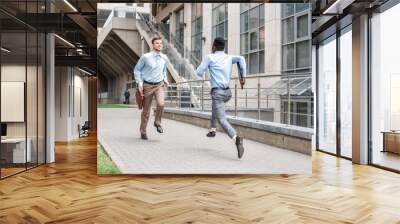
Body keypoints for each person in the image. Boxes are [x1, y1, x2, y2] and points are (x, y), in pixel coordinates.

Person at [196, 37, 247, 159]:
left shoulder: (210, 57)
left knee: (222, 119)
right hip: (228, 93)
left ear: (213, 46)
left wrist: (205, 66)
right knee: (216, 106)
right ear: (224, 47)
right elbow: (241, 59)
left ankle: (236, 139)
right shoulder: (229, 58)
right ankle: (212, 130)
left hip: (217, 93)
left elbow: (199, 72)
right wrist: (243, 76)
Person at [134, 36, 169, 140]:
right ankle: (143, 131)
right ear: (153, 45)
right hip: (147, 85)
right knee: (146, 111)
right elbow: (137, 70)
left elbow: (164, 71)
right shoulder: (145, 57)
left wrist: (165, 79)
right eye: (157, 43)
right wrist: (140, 83)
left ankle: (157, 123)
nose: (159, 45)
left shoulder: (164, 58)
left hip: (159, 85)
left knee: (161, 104)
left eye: (161, 43)